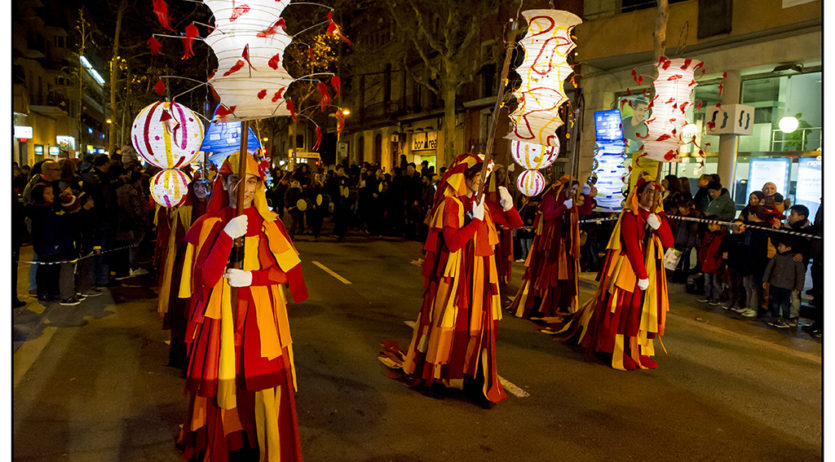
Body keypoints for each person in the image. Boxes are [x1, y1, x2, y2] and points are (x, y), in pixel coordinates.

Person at [176, 152, 308, 461]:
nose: (245, 188)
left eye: (252, 181)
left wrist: (253, 277)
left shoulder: (270, 224)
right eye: (237, 180)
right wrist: (225, 237)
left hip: (262, 321)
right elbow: (205, 280)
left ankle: (263, 444)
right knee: (225, 382)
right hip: (221, 320)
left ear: (260, 185)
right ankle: (227, 442)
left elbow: (289, 275)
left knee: (262, 385)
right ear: (224, 182)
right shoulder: (207, 224)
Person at [381, 153, 523, 406]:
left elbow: (516, 223)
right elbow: (454, 242)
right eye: (478, 177)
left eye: (484, 178)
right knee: (449, 323)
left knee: (476, 330)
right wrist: (475, 222)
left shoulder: (484, 204)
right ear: (465, 178)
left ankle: (475, 380)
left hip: (480, 276)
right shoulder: (452, 205)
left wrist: (509, 205)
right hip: (457, 277)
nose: (481, 183)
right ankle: (439, 376)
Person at [551, 176, 674, 370]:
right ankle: (617, 349)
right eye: (648, 191)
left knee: (644, 311)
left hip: (652, 271)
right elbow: (632, 247)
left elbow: (669, 242)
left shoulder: (658, 216)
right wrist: (642, 275)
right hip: (630, 271)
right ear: (639, 193)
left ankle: (640, 349)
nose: (652, 196)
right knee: (624, 310)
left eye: (655, 192)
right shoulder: (629, 215)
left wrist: (657, 226)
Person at [509, 177, 593, 318]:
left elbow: (587, 211)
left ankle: (560, 304)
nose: (573, 192)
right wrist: (563, 207)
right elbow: (548, 215)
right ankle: (541, 305)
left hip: (565, 245)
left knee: (564, 277)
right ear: (563, 188)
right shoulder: (551, 197)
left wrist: (587, 195)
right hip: (549, 245)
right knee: (547, 274)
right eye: (571, 189)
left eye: (575, 190)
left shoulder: (570, 200)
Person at [762, 238, 804, 329]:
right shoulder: (777, 256)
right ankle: (774, 317)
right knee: (775, 302)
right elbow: (769, 268)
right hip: (775, 284)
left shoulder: (795, 259)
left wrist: (799, 287)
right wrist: (765, 280)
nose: (778, 247)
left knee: (785, 304)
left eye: (781, 246)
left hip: (787, 286)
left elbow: (800, 274)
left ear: (788, 248)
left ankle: (785, 319)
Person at [697, 222, 726, 305]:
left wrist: (719, 263)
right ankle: (707, 296)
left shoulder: (722, 237)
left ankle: (716, 297)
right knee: (707, 281)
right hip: (707, 263)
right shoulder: (708, 236)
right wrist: (702, 260)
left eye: (712, 224)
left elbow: (720, 252)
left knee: (715, 282)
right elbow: (703, 250)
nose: (710, 227)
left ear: (719, 225)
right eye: (709, 225)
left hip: (715, 263)